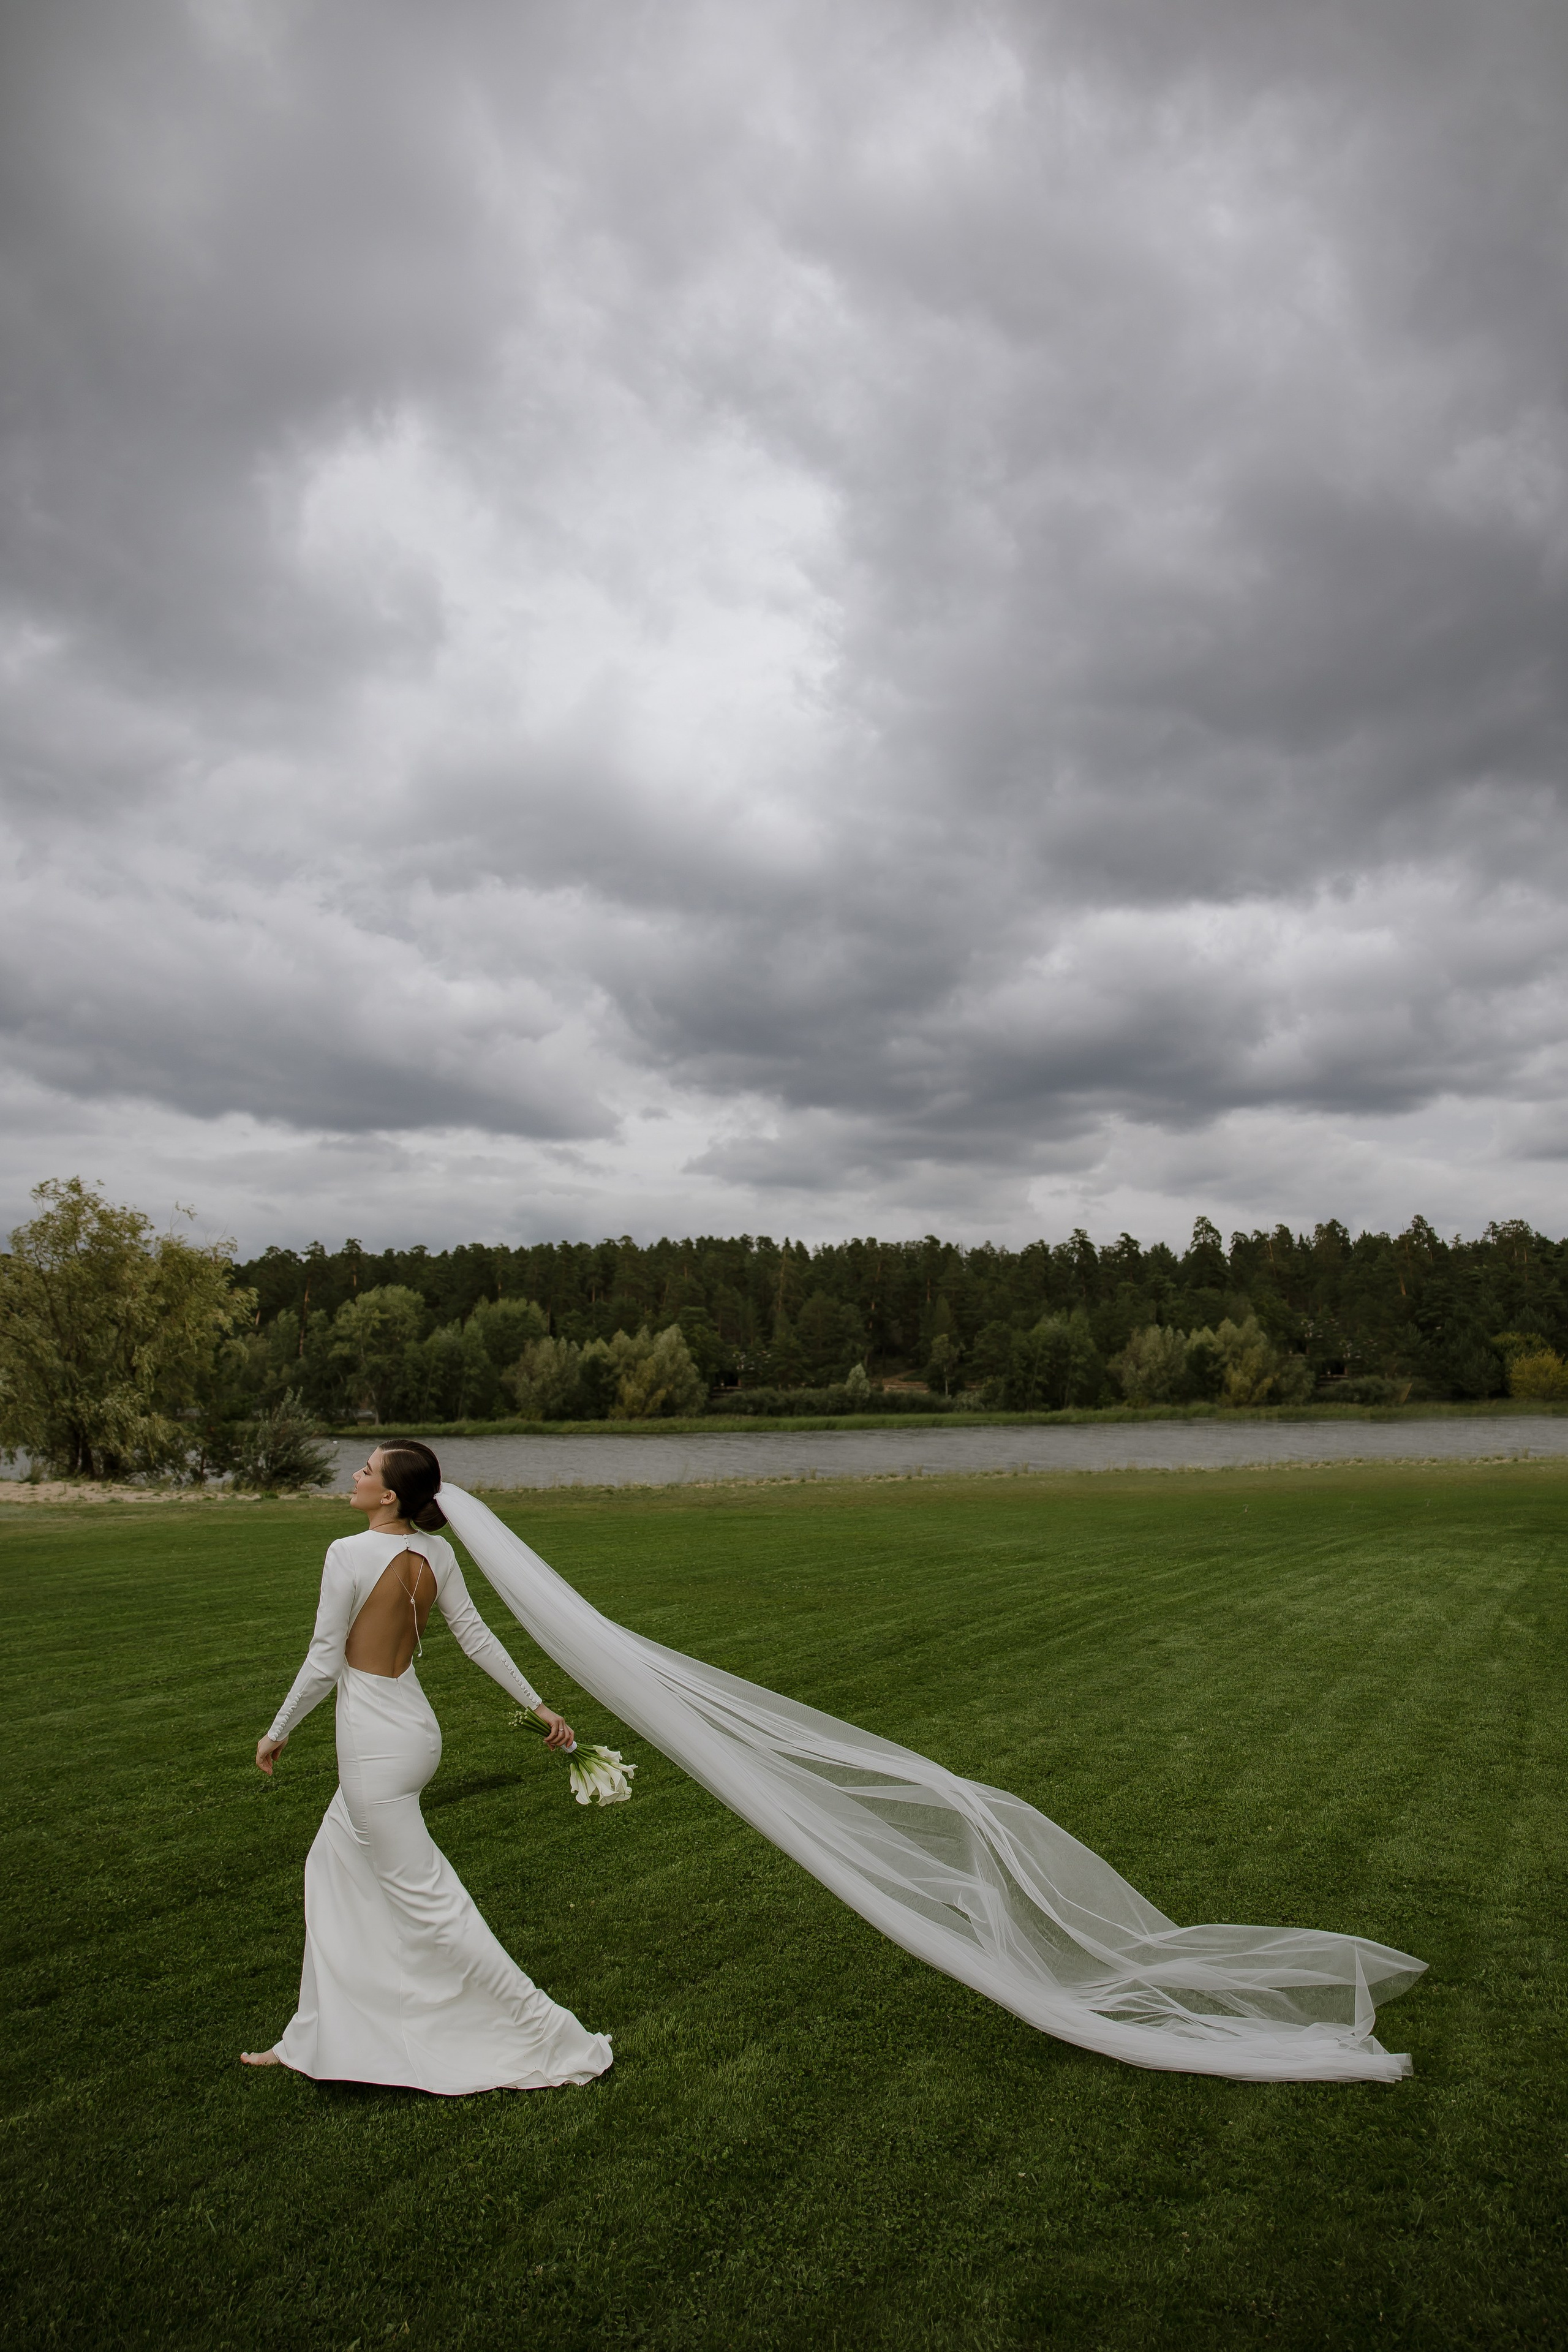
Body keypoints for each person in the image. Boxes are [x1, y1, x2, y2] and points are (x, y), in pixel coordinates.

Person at [241, 1440, 612, 2094]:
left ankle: (553, 2034)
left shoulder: (348, 1554)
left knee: (435, 1906)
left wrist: (276, 1733)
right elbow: (474, 1636)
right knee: (330, 1866)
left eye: (366, 1470)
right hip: (415, 1735)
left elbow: (325, 1659)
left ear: (388, 1495)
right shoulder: (434, 1554)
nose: (354, 1476)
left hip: (374, 1750)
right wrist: (535, 1704)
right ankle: (311, 2035)